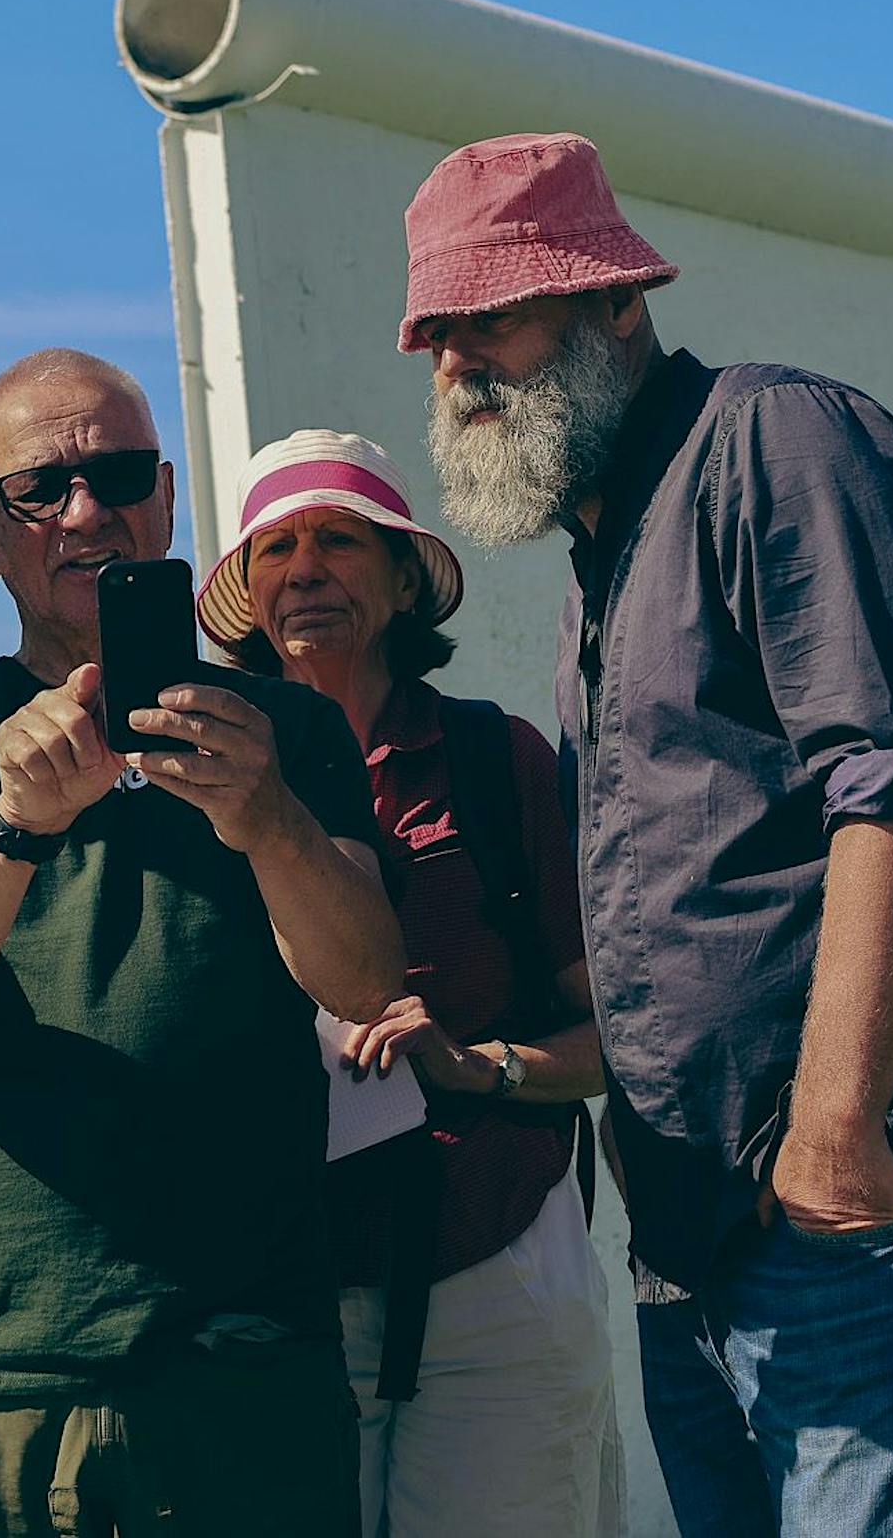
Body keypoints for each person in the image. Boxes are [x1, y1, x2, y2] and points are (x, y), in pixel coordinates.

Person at [399, 130, 893, 1535]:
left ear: (617, 302)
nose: (460, 368)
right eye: (438, 336)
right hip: (703, 1239)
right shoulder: (604, 553)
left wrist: (831, 1131)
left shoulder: (778, 439)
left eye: (495, 319)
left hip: (859, 1211)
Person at [0, 347, 402, 1538]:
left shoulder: (283, 725)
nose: (87, 512)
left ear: (167, 500)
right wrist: (11, 823)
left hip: (242, 1359)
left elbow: (367, 977)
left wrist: (263, 813)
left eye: (119, 473)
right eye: (39, 489)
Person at [196, 425, 623, 1537]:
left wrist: (479, 1063)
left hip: (491, 1258)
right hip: (275, 1285)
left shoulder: (496, 760)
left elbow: (614, 1032)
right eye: (274, 548)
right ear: (242, 591)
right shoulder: (189, 778)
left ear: (398, 576)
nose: (305, 569)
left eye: (340, 538)